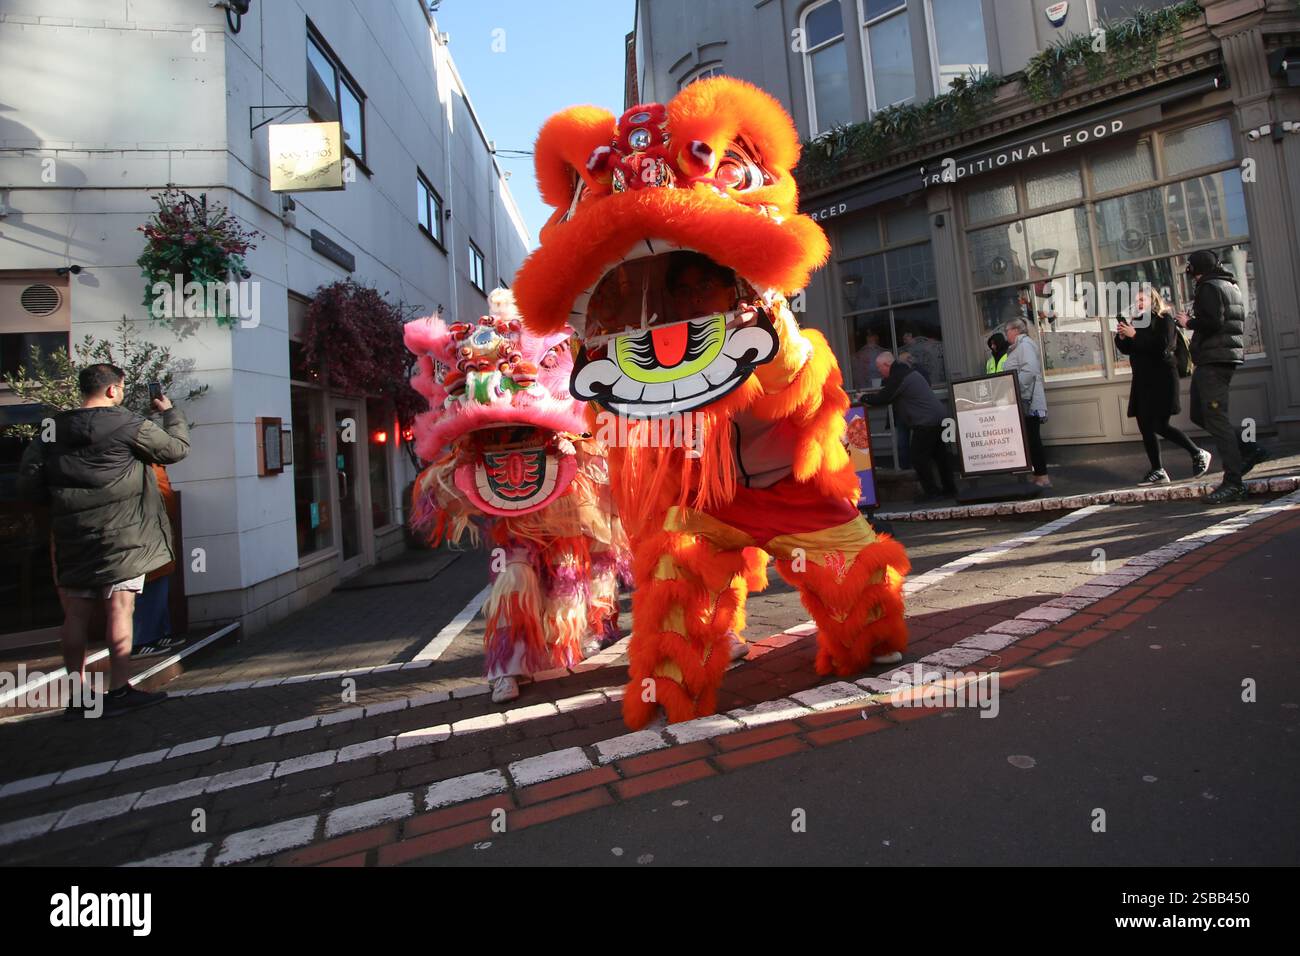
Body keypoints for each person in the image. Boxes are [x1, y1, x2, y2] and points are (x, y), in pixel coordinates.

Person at [16, 363, 190, 718]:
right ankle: (119, 690)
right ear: (112, 390)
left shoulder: (51, 428)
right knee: (119, 610)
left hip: (73, 535)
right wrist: (170, 413)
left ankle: (79, 695)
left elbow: (29, 484)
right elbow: (174, 450)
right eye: (122, 387)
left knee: (75, 615)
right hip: (123, 535)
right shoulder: (127, 423)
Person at [1176, 249, 1267, 503]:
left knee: (1215, 417)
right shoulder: (1228, 284)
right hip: (1215, 359)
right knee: (1200, 413)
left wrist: (1188, 323)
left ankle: (1234, 482)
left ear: (1197, 269)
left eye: (1191, 268)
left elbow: (1214, 321)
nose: (1190, 274)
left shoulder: (1209, 286)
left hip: (1215, 360)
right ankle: (1249, 450)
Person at [1115, 289, 1211, 485]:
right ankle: (1157, 469)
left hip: (1162, 379)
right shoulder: (1138, 321)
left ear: (1153, 299)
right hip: (1142, 381)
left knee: (1160, 424)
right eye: (1136, 300)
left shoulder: (1164, 319)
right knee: (1145, 426)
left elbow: (1162, 346)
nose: (1139, 303)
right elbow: (1130, 349)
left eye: (1142, 299)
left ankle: (1198, 453)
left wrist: (1134, 335)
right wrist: (1123, 338)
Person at [864, 351, 957, 501]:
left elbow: (884, 397)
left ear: (887, 365)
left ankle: (932, 492)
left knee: (918, 458)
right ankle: (950, 489)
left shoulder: (899, 376)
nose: (879, 372)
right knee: (940, 456)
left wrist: (863, 398)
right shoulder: (905, 371)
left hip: (926, 421)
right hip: (939, 417)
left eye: (879, 368)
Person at [1003, 318, 1051, 488]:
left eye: (1006, 331)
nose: (1005, 335)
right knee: (1029, 438)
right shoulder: (1020, 346)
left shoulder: (1024, 345)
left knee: (1032, 438)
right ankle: (1038, 475)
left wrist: (1016, 389)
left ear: (1015, 330)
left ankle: (1042, 476)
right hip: (1025, 399)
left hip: (1027, 400)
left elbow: (1030, 370)